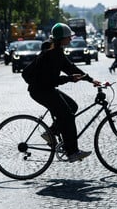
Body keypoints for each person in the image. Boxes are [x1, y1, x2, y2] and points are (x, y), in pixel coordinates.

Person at [27, 23, 101, 163]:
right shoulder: (51, 54)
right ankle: (72, 152)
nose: (71, 39)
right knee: (67, 116)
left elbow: (69, 67)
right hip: (40, 91)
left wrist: (91, 80)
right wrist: (69, 79)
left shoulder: (57, 51)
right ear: (61, 39)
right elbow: (52, 80)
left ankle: (51, 133)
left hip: (45, 88)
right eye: (69, 37)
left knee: (72, 106)